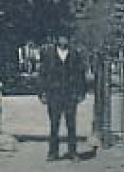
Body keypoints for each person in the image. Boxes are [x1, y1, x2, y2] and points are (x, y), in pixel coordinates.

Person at [38, 33, 89, 161]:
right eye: (61, 38)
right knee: (54, 124)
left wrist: (81, 93)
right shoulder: (49, 54)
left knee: (71, 125)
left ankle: (73, 152)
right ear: (57, 39)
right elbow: (42, 74)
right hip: (54, 93)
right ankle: (53, 152)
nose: (63, 40)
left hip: (70, 94)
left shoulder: (75, 53)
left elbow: (80, 74)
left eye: (66, 38)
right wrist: (42, 93)